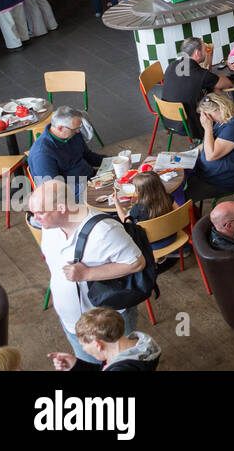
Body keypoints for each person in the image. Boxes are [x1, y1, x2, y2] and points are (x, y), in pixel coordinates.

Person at [29, 180, 145, 364]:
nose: (35, 218)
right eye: (32, 213)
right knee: (88, 366)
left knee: (122, 365)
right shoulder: (49, 227)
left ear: (61, 208)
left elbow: (136, 263)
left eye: (40, 213)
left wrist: (86, 274)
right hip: (73, 324)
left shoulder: (104, 230)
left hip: (107, 325)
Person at [159, 37, 232, 139]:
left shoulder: (171, 65)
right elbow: (227, 83)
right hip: (190, 125)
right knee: (218, 101)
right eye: (205, 50)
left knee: (211, 92)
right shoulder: (200, 74)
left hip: (167, 119)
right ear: (197, 53)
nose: (206, 53)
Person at [185, 92, 234, 202]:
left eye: (208, 115)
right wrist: (185, 155)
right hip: (209, 173)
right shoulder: (223, 119)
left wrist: (207, 128)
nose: (207, 119)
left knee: (183, 195)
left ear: (220, 108)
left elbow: (211, 155)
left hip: (223, 180)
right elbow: (208, 143)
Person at [48, 307, 160, 372]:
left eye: (83, 345)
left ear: (97, 344)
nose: (84, 349)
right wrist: (76, 366)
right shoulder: (141, 346)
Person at [27, 106, 104, 188]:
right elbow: (53, 188)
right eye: (75, 129)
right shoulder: (42, 154)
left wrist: (112, 160)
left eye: (78, 128)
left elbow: (88, 156)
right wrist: (90, 187)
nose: (78, 131)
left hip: (91, 178)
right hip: (72, 191)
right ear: (60, 128)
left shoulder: (72, 133)